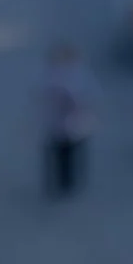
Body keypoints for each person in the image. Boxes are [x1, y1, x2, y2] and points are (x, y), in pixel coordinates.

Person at [41, 43, 94, 196]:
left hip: (75, 124)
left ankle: (71, 182)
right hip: (57, 125)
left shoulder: (79, 75)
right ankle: (58, 182)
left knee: (73, 154)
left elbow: (89, 96)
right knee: (58, 154)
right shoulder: (52, 75)